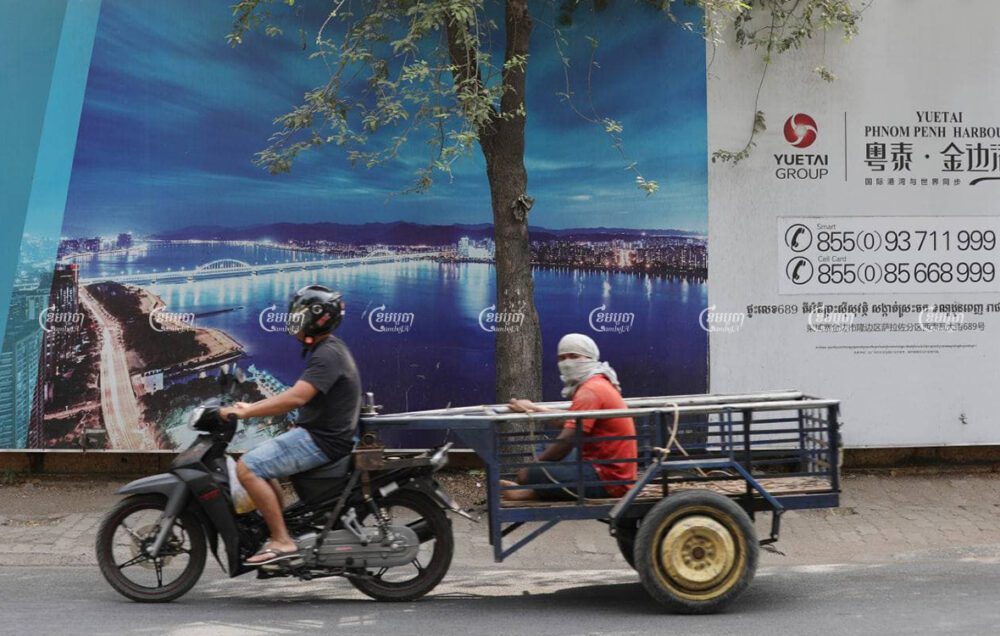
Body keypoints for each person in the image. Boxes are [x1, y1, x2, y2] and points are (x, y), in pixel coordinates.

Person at [219, 285, 361, 565]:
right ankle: (278, 525)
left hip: (322, 440)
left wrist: (247, 412)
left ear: (319, 319)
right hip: (321, 435)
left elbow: (297, 397)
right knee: (259, 461)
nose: (293, 319)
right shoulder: (328, 349)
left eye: (299, 314)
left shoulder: (327, 354)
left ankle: (282, 540)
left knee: (248, 468)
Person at [500, 333, 636, 501]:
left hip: (609, 480)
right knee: (546, 452)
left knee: (534, 471)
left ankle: (528, 492)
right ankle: (532, 490)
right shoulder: (596, 383)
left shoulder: (591, 390)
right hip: (604, 466)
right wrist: (533, 409)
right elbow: (569, 420)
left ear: (589, 357)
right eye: (562, 358)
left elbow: (566, 441)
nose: (567, 363)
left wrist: (532, 468)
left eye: (573, 356)